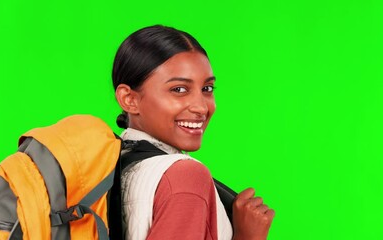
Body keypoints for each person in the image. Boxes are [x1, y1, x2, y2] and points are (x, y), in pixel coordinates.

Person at [112, 25, 275, 240]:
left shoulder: (116, 162)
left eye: (207, 89)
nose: (201, 107)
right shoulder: (185, 177)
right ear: (129, 99)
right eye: (179, 89)